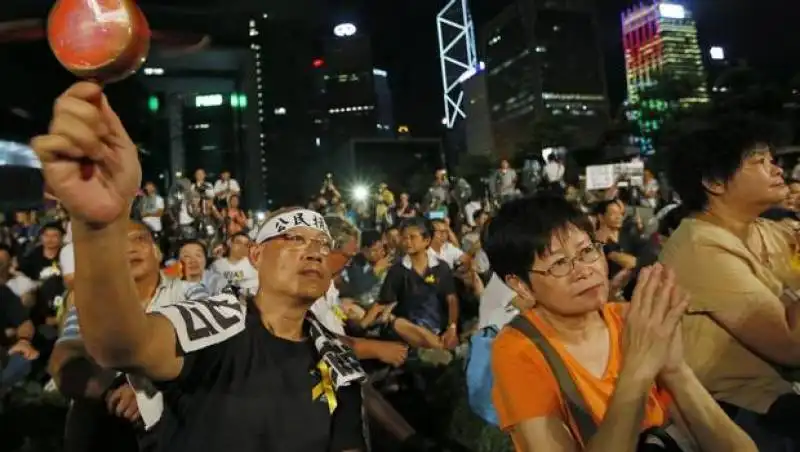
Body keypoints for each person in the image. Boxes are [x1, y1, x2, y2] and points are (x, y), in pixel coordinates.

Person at [32, 82, 368, 452]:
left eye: (322, 244)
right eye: (295, 239)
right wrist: (98, 227)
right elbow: (123, 346)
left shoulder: (336, 357)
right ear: (255, 256)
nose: (315, 252)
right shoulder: (214, 321)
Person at [485, 195, 755, 451]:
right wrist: (638, 370)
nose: (583, 271)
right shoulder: (519, 349)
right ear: (520, 285)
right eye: (559, 264)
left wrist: (675, 371)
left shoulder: (630, 318)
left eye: (587, 251)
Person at [660, 115, 800, 445]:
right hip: (737, 411)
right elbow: (792, 348)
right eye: (760, 162)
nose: (778, 170)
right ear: (715, 182)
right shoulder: (699, 246)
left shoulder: (765, 229)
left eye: (773, 160)